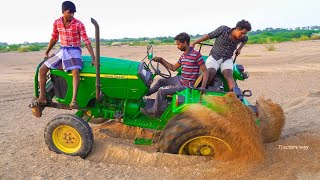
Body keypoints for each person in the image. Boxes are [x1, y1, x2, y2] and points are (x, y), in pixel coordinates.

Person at [37, 1, 96, 109]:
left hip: (74, 50)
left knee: (75, 71)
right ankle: (42, 96)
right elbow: (54, 38)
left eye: (73, 13)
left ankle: (73, 100)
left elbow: (86, 41)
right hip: (62, 50)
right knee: (42, 69)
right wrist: (47, 51)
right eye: (69, 13)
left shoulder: (79, 24)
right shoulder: (57, 23)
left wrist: (94, 58)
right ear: (63, 11)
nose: (72, 15)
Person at [142, 32, 208, 116]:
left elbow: (205, 71)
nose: (178, 47)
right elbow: (173, 68)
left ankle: (154, 111)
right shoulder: (183, 56)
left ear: (185, 43)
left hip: (186, 85)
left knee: (161, 91)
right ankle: (146, 93)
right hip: (180, 79)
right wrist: (161, 60)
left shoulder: (196, 55)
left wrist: (203, 87)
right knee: (160, 81)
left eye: (179, 44)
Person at [191, 19, 251, 91]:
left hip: (227, 58)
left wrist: (239, 49)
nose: (243, 35)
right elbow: (208, 36)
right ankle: (204, 90)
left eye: (245, 34)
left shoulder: (242, 37)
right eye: (242, 33)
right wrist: (194, 43)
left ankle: (234, 94)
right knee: (210, 72)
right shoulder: (223, 30)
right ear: (237, 29)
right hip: (214, 56)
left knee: (229, 75)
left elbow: (245, 39)